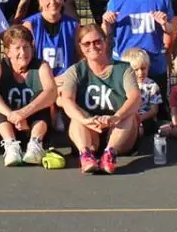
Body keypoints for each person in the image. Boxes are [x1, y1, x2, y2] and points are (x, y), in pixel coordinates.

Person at [56, 23, 140, 173]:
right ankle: (86, 154)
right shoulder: (75, 71)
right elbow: (66, 100)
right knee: (76, 117)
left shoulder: (124, 69)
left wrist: (116, 117)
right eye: (87, 43)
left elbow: (135, 98)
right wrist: (85, 120)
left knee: (129, 115)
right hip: (90, 130)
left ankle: (109, 154)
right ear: (80, 47)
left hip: (118, 132)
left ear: (105, 41)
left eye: (97, 41)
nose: (93, 47)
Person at [0, 25, 55, 165]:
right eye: (17, 48)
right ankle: (11, 146)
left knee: (42, 97)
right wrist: (11, 115)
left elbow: (51, 92)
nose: (23, 52)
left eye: (26, 47)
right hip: (6, 126)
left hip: (32, 125)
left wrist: (24, 113)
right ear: (8, 52)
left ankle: (35, 144)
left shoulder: (41, 65)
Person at [104, 0, 175, 85]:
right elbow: (107, 32)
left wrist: (164, 24)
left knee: (156, 105)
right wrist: (106, 23)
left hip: (153, 63)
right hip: (125, 64)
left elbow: (171, 29)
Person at [23, 0, 79, 74]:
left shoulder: (73, 26)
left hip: (66, 81)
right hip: (39, 80)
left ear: (62, 0)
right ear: (40, 1)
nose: (53, 2)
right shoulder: (30, 25)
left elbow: (81, 57)